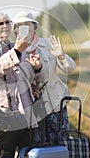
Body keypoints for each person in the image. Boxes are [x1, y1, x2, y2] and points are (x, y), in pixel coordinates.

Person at [0, 12, 42, 158]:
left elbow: (30, 77)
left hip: (24, 109)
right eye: (0, 23)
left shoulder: (16, 47)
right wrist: (17, 51)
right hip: (3, 110)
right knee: (6, 153)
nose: (5, 25)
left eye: (8, 22)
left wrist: (37, 69)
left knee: (26, 150)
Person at [13, 11, 76, 144]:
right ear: (16, 30)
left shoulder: (48, 44)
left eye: (27, 24)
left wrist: (61, 56)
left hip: (55, 105)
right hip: (32, 111)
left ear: (34, 27)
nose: (24, 27)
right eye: (20, 25)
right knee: (37, 146)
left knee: (60, 144)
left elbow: (69, 68)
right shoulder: (13, 52)